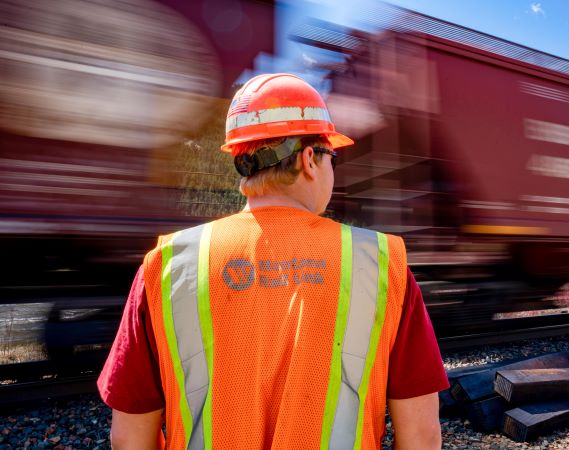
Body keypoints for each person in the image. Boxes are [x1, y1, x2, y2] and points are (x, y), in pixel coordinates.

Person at [98, 73, 449, 450]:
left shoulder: (166, 265)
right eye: (332, 156)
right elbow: (421, 438)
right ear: (310, 159)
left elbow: (130, 439)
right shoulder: (381, 264)